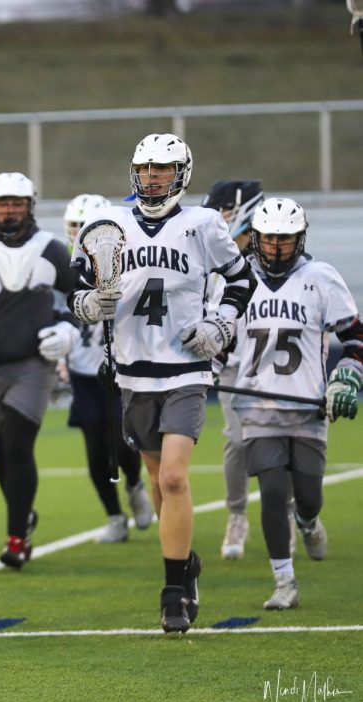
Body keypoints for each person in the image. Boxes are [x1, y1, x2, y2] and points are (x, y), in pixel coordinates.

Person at [69, 134, 257, 633]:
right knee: (156, 482)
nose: (153, 176)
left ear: (182, 174)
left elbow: (241, 280)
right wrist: (88, 305)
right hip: (133, 372)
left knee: (174, 477)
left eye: (163, 169)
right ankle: (186, 562)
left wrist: (221, 325)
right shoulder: (107, 222)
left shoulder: (201, 225)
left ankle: (173, 589)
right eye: (145, 168)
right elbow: (78, 285)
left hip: (186, 370)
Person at [229, 197, 360, 609]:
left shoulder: (320, 276)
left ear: (299, 239)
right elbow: (219, 339)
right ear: (257, 239)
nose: (277, 247)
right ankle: (284, 581)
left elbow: (355, 337)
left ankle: (308, 520)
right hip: (257, 405)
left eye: (285, 239)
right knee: (270, 490)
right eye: (269, 238)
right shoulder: (236, 280)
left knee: (307, 496)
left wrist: (348, 374)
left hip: (306, 406)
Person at [0, 172, 77, 568]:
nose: (9, 210)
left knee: (19, 443)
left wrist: (67, 330)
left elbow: (81, 299)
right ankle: (24, 513)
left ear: (30, 206)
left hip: (33, 365)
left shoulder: (52, 249)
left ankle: (16, 538)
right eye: (3, 203)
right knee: (0, 450)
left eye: (17, 203)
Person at [62, 194, 153, 543]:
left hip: (121, 368)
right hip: (85, 375)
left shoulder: (127, 260)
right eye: (74, 228)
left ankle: (133, 483)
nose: (78, 235)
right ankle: (115, 517)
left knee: (124, 440)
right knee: (95, 451)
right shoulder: (65, 263)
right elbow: (59, 308)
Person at [200, 180, 268, 559]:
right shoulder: (214, 259)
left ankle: (290, 513)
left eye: (224, 211)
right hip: (234, 368)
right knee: (238, 442)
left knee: (286, 445)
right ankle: (237, 515)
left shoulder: (277, 253)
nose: (220, 219)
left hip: (278, 368)